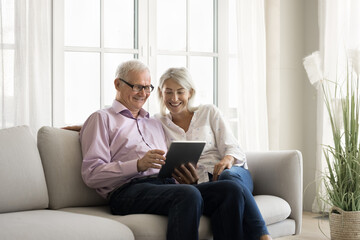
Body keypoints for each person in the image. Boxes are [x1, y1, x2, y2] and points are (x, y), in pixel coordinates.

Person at [79, 60, 254, 240]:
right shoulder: (101, 119)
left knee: (229, 190)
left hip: (166, 185)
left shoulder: (154, 122)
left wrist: (187, 179)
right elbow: (91, 174)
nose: (144, 94)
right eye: (138, 87)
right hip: (127, 191)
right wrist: (137, 165)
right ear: (117, 84)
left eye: (148, 88)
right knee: (188, 194)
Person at [155, 67, 272, 240]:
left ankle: (263, 236)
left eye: (180, 92)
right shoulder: (158, 122)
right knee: (223, 202)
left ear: (190, 92)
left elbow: (234, 147)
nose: (174, 98)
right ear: (160, 93)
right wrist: (186, 181)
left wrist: (227, 159)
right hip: (200, 184)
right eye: (169, 92)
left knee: (228, 180)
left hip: (233, 173)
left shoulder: (208, 112)